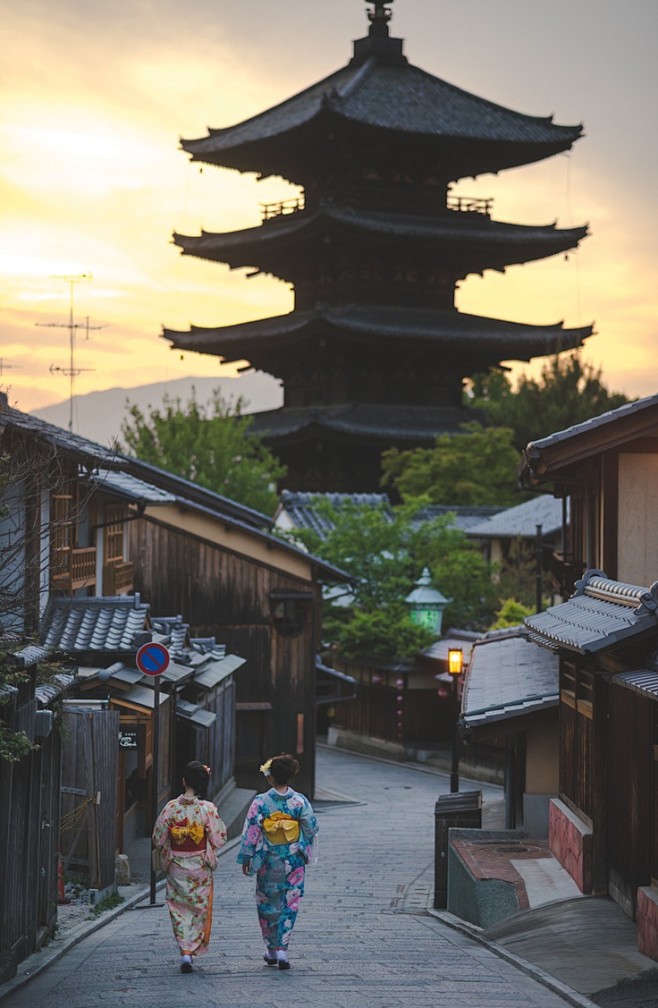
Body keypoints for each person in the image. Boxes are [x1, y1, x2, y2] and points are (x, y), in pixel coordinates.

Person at [236, 753, 319, 970]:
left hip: (268, 859)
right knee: (290, 901)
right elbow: (311, 827)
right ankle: (283, 949)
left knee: (267, 901)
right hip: (293, 861)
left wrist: (247, 857)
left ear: (270, 777)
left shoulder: (261, 802)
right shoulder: (299, 801)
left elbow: (252, 832)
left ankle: (271, 949)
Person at [152, 760, 227, 973]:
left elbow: (158, 838)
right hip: (200, 866)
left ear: (183, 781)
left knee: (178, 908)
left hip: (177, 864)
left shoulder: (171, 808)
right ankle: (191, 948)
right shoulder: (208, 809)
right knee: (198, 908)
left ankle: (185, 951)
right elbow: (220, 837)